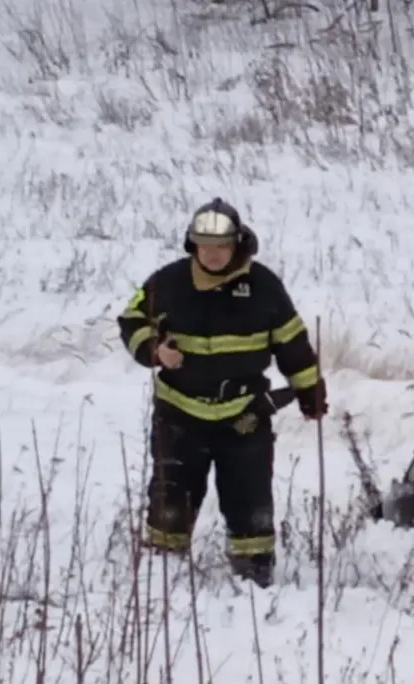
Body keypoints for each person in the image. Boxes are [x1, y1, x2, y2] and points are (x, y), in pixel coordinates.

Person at [116, 198, 328, 587]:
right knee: (170, 500)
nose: (212, 255)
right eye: (204, 246)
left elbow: (292, 343)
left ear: (238, 244)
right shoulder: (168, 282)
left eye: (221, 246)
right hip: (179, 416)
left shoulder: (264, 287)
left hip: (244, 417)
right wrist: (154, 350)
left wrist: (309, 390)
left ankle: (253, 577)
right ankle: (163, 576)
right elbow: (131, 320)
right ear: (191, 245)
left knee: (250, 502)